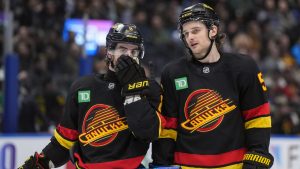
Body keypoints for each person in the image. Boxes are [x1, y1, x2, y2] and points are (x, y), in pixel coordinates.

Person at [18, 23, 164, 169]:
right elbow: (63, 142)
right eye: (123, 49)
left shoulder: (149, 88)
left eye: (134, 52)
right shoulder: (83, 87)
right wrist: (41, 163)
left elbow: (147, 132)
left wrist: (133, 89)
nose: (129, 57)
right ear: (109, 51)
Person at [152, 3, 274, 169]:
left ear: (213, 30)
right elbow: (169, 126)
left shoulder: (244, 67)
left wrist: (258, 155)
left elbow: (257, 117)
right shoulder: (172, 73)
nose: (190, 37)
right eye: (186, 33)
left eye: (195, 31)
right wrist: (161, 163)